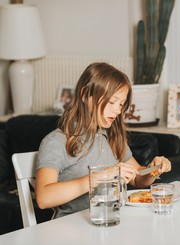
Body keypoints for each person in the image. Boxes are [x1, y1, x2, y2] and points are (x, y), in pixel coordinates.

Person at [35, 62, 171, 219]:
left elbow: (137, 178)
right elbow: (44, 198)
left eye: (121, 104)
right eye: (112, 102)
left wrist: (152, 170)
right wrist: (100, 177)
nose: (118, 110)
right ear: (85, 95)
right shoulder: (57, 141)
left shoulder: (110, 137)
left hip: (111, 220)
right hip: (73, 228)